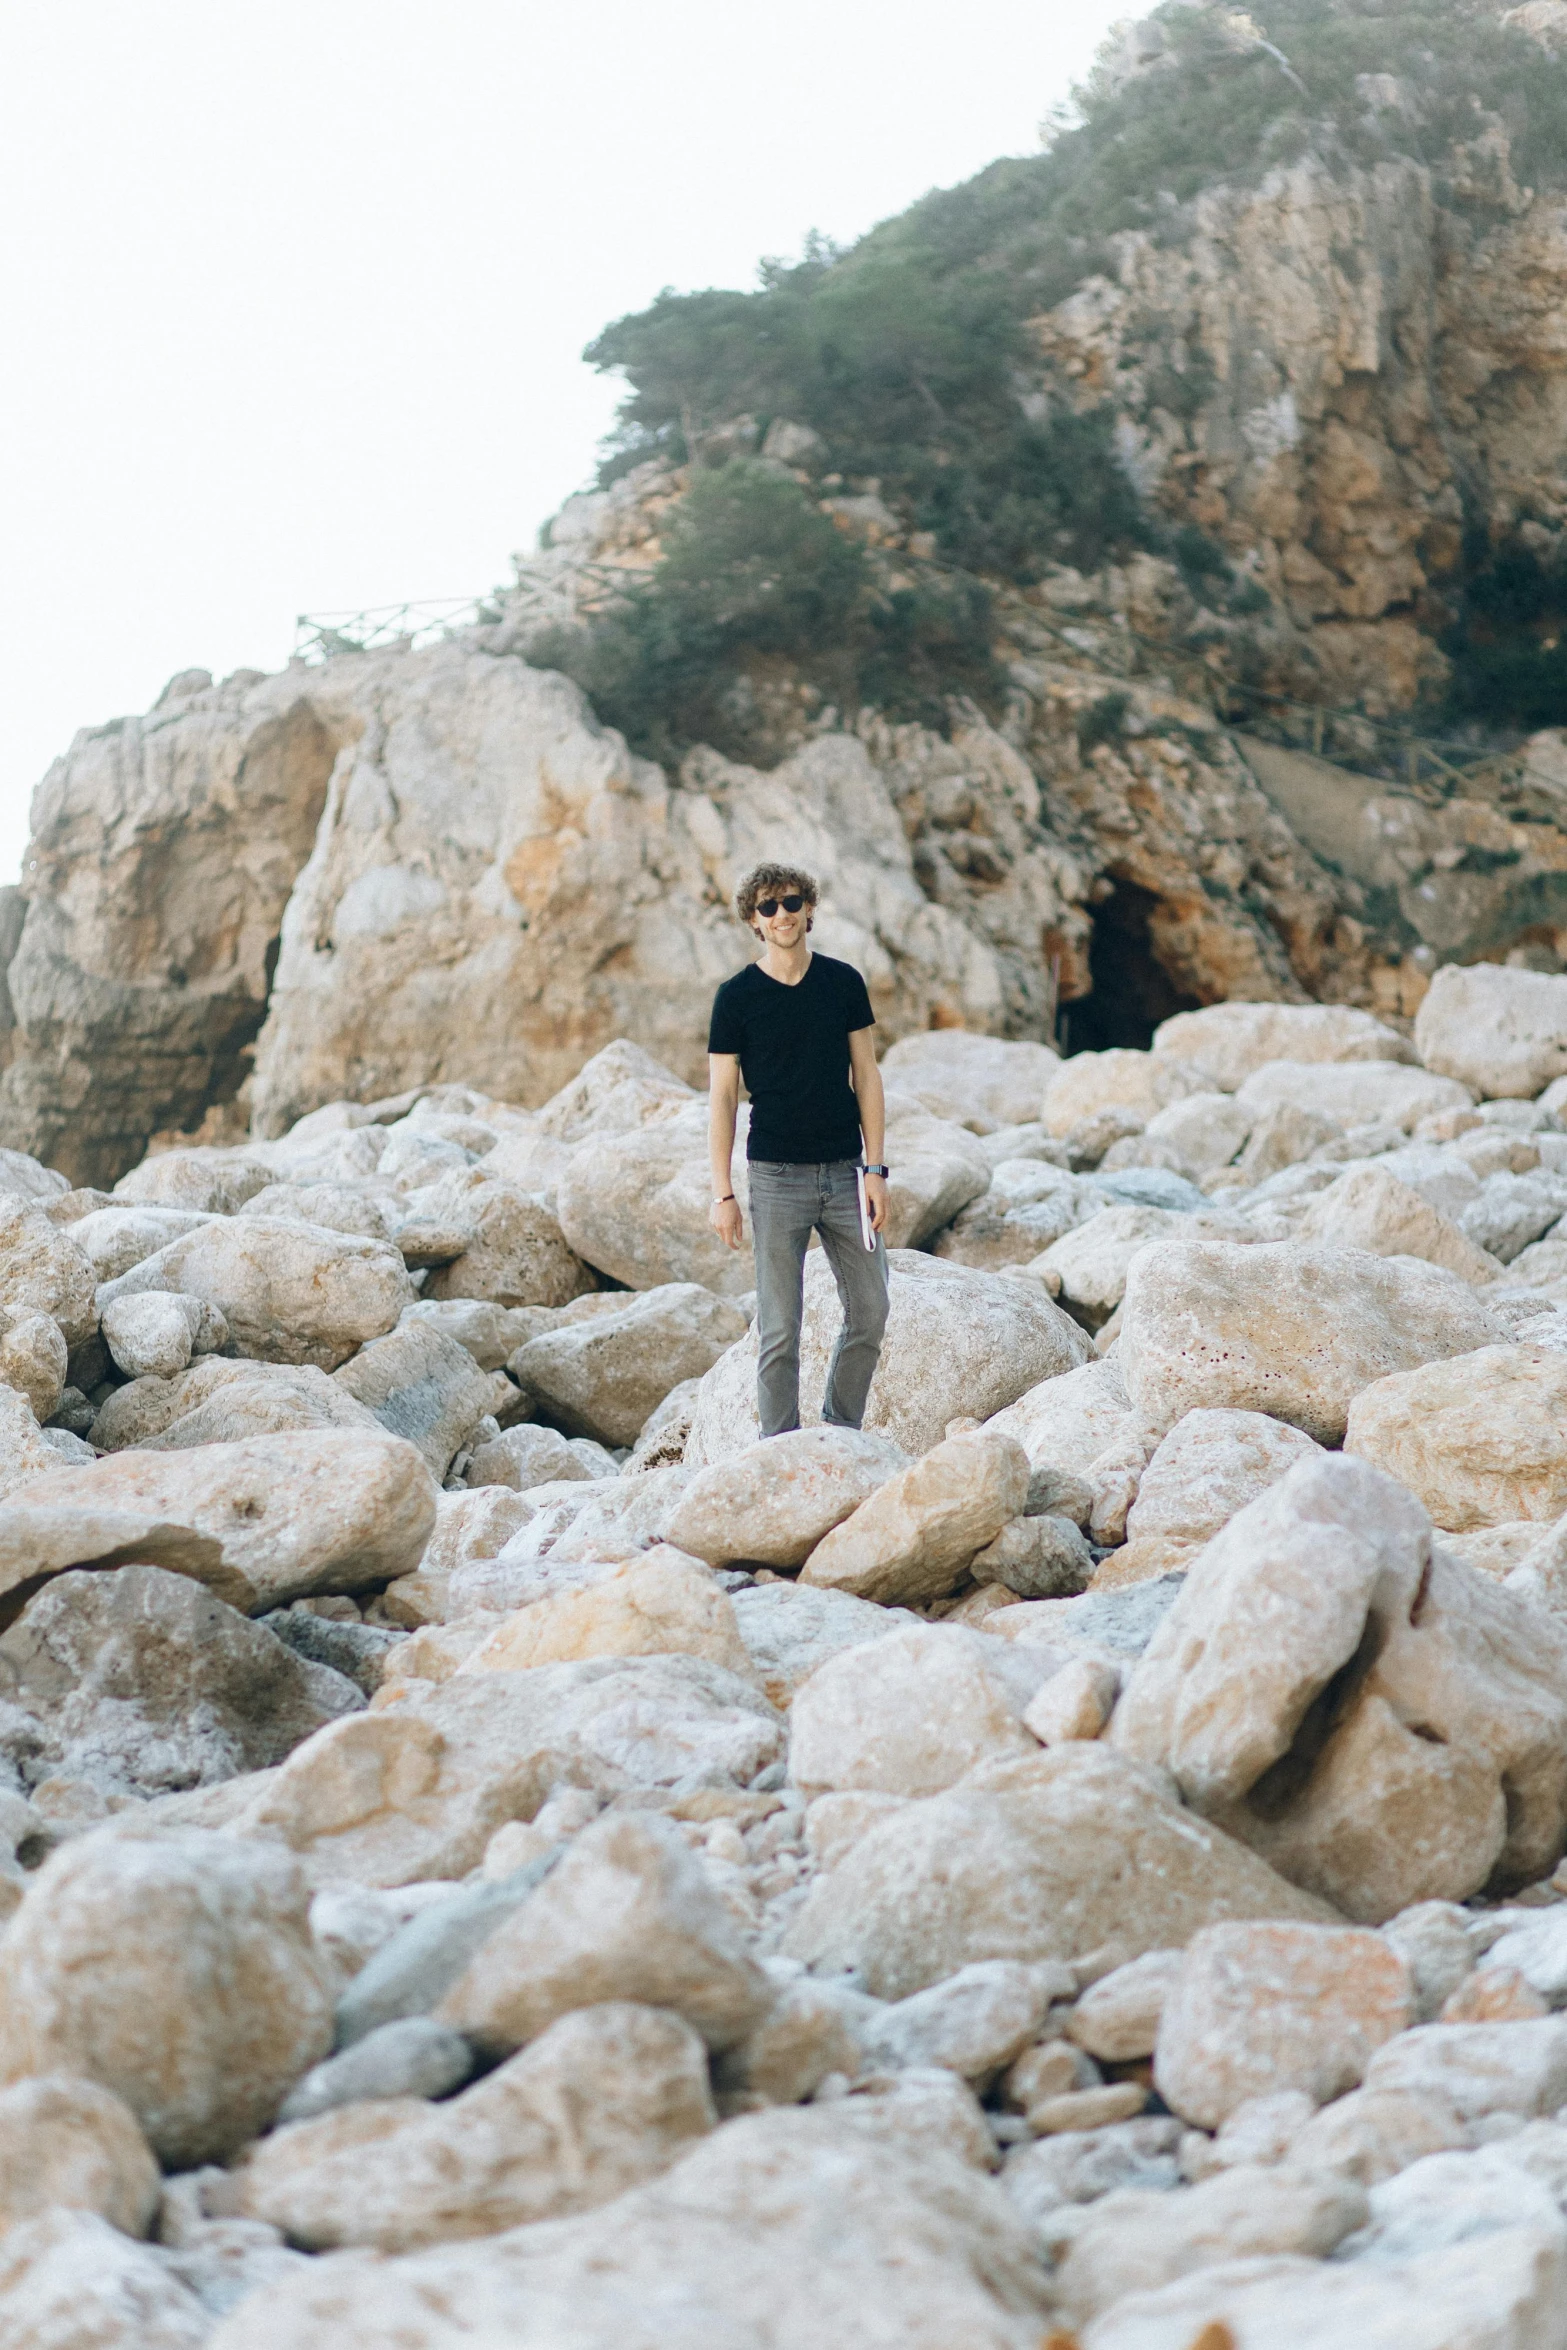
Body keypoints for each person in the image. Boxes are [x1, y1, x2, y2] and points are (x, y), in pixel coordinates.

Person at [707, 862, 891, 1438]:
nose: (781, 914)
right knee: (779, 1329)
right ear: (753, 923)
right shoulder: (735, 998)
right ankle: (779, 1450)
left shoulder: (842, 983)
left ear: (809, 909)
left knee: (871, 1311)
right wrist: (723, 1193)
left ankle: (839, 1432)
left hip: (845, 1174)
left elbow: (867, 1074)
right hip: (775, 1177)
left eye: (791, 903)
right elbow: (722, 1097)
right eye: (767, 908)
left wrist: (876, 1169)